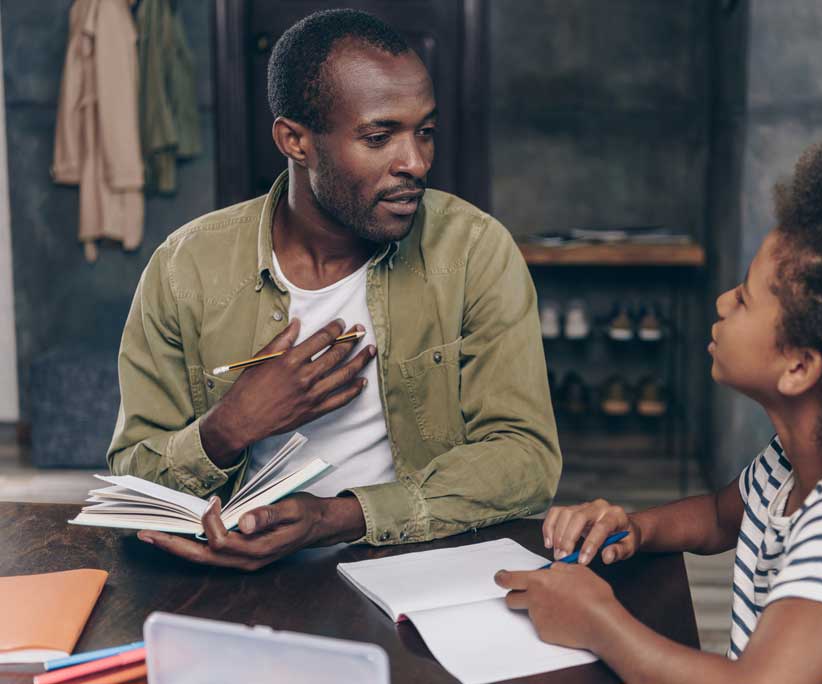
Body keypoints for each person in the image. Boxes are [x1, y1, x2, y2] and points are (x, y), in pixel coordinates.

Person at [496, 140, 822, 683]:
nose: (724, 302)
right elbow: (722, 517)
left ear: (799, 367)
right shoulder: (797, 460)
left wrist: (596, 621)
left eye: (745, 298)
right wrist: (636, 528)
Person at [108, 9, 560, 570]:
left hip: (420, 567)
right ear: (295, 140)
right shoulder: (187, 268)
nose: (415, 163)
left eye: (425, 132)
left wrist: (335, 518)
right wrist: (228, 428)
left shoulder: (473, 252)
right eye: (379, 137)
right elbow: (131, 481)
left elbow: (525, 461)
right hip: (239, 578)